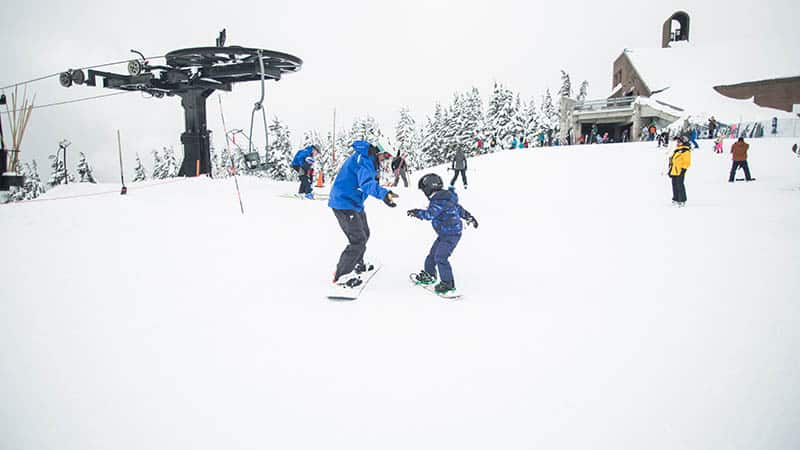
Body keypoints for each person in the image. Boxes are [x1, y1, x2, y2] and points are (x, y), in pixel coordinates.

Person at [328, 140, 398, 289]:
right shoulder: (365, 160)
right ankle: (342, 276)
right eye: (385, 156)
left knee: (364, 234)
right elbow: (366, 184)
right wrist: (384, 195)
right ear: (378, 151)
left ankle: (358, 264)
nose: (385, 159)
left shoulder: (369, 159)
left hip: (354, 203)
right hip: (344, 203)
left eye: (388, 157)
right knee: (358, 240)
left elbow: (370, 182)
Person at [407, 174, 478, 295]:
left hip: (451, 234)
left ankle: (448, 284)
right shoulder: (446, 198)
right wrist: (469, 217)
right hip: (445, 233)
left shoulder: (439, 200)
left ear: (429, 188)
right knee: (432, 255)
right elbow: (459, 209)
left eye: (424, 189)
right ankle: (429, 274)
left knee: (441, 257)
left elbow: (430, 214)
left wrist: (417, 212)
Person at [669, 136, 692, 207]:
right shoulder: (677, 150)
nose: (678, 143)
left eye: (679, 142)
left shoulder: (685, 151)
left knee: (680, 185)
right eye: (677, 142)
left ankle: (682, 199)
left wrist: (683, 169)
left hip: (680, 170)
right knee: (674, 184)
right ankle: (675, 198)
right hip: (674, 170)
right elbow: (673, 160)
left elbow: (687, 162)